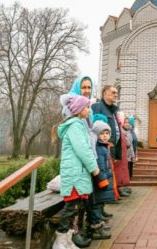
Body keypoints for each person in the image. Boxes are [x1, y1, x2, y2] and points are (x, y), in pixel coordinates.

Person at [53, 95, 99, 249]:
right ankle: (59, 241)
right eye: (87, 107)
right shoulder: (75, 126)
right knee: (70, 207)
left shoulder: (78, 124)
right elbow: (83, 150)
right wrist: (94, 167)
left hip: (77, 172)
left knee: (74, 207)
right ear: (79, 109)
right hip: (74, 173)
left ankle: (67, 240)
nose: (89, 109)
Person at [88, 118, 117, 241]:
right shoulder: (99, 148)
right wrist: (102, 179)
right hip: (99, 182)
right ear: (96, 134)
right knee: (95, 204)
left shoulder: (104, 146)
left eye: (107, 134)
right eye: (102, 134)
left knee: (99, 203)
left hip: (102, 180)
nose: (105, 136)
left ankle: (99, 225)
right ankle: (96, 228)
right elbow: (100, 165)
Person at [113, 111, 132, 197]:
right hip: (118, 154)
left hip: (123, 154)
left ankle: (120, 188)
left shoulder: (121, 129)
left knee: (122, 171)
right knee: (118, 172)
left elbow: (129, 143)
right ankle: (118, 189)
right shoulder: (119, 128)